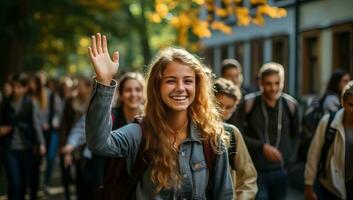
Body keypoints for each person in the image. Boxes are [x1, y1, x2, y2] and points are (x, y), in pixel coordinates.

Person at [86, 33, 233, 199]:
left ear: (197, 86)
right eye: (171, 81)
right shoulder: (139, 133)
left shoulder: (211, 137)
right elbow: (98, 143)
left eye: (187, 81)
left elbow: (224, 194)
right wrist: (104, 81)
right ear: (157, 86)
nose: (180, 88)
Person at [234, 62, 300, 200]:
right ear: (261, 83)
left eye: (277, 83)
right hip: (255, 171)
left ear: (282, 82)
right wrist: (261, 147)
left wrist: (289, 160)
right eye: (268, 83)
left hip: (281, 170)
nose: (273, 88)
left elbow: (296, 136)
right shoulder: (249, 103)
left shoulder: (291, 105)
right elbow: (237, 134)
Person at [0, 73, 46, 200]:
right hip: (9, 148)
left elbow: (36, 124)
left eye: (19, 87)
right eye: (14, 86)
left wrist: (41, 143)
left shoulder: (30, 103)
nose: (16, 90)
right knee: (14, 184)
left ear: (25, 88)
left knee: (22, 185)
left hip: (26, 148)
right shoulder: (5, 103)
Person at [304, 80, 353, 200]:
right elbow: (313, 154)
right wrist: (309, 186)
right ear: (343, 103)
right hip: (330, 188)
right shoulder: (328, 122)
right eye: (352, 105)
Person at [214, 78, 258, 199]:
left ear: (234, 108)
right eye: (218, 105)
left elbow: (248, 177)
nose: (222, 111)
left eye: (228, 107)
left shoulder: (231, 132)